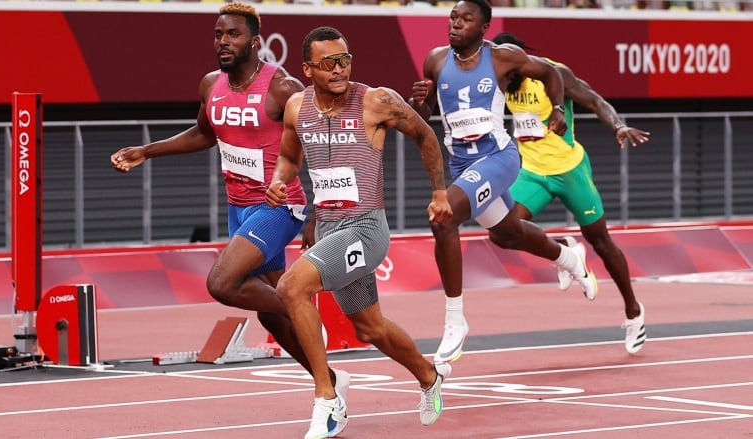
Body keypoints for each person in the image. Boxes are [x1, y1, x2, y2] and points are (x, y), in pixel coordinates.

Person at [109, 3, 350, 399]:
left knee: (222, 283)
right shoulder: (211, 85)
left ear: (255, 42)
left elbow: (324, 149)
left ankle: (301, 309)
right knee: (269, 316)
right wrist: (146, 151)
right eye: (218, 35)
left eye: (233, 35)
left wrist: (320, 211)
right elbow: (205, 134)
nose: (223, 42)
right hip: (238, 209)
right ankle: (330, 385)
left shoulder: (283, 87)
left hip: (279, 206)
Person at [265, 26, 453, 439]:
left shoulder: (377, 100)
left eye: (345, 59)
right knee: (370, 328)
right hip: (330, 228)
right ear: (308, 68)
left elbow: (424, 134)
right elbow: (287, 158)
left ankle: (328, 399)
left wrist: (439, 191)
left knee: (292, 287)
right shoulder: (297, 107)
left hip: (366, 227)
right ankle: (428, 374)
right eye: (329, 62)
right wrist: (279, 181)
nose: (340, 68)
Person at [409, 0, 598, 363]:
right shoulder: (435, 60)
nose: (456, 24)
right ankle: (569, 257)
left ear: (483, 29)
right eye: (453, 18)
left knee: (442, 217)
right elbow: (426, 116)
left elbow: (551, 74)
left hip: (499, 158)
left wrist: (558, 108)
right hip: (463, 165)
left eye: (466, 20)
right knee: (508, 233)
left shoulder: (502, 57)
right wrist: (420, 104)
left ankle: (454, 321)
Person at [492, 32, 648, 354]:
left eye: (513, 69)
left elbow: (594, 100)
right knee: (501, 230)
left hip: (570, 170)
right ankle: (564, 250)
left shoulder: (554, 74)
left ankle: (634, 312)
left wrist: (618, 126)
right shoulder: (498, 78)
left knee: (600, 241)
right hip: (532, 172)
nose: (507, 76)